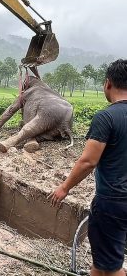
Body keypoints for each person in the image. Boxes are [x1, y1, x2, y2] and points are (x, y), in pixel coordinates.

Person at [49, 59, 127, 276]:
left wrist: (64, 188)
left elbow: (88, 161)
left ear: (107, 84)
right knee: (103, 262)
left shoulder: (106, 117)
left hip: (113, 202)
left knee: (109, 268)